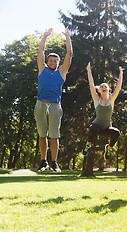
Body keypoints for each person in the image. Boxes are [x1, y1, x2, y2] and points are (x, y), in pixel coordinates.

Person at [35, 28, 73, 172]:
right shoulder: (42, 69)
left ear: (58, 63)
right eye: (50, 60)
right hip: (40, 104)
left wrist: (67, 38)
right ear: (47, 62)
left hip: (55, 106)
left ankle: (54, 162)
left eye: (55, 61)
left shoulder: (62, 72)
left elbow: (69, 54)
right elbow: (41, 52)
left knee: (54, 135)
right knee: (42, 134)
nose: (52, 62)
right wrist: (44, 36)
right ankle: (43, 162)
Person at [82, 63, 123, 159]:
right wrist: (89, 71)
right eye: (102, 87)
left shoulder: (112, 99)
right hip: (97, 127)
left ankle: (108, 148)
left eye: (106, 87)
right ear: (99, 91)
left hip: (107, 128)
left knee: (117, 133)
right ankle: (88, 145)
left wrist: (121, 74)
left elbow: (118, 87)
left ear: (109, 90)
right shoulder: (97, 99)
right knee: (93, 127)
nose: (104, 88)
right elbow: (91, 84)